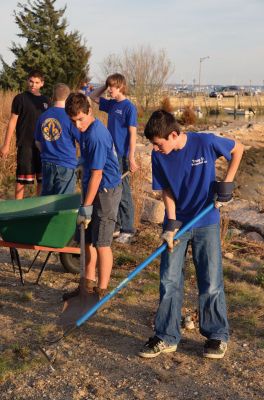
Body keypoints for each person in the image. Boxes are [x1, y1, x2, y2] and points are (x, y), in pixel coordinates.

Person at [138, 110, 244, 360]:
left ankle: (217, 335)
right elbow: (166, 190)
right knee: (169, 280)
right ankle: (166, 336)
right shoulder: (158, 155)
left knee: (210, 279)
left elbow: (238, 149)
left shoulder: (205, 142)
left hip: (206, 219)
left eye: (158, 143)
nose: (155, 148)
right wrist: (171, 224)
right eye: (153, 144)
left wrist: (226, 185)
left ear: (173, 135)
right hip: (177, 222)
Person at [63, 92, 122, 300]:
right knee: (87, 241)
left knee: (102, 243)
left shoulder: (96, 135)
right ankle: (86, 287)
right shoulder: (85, 129)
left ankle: (101, 292)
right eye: (73, 121)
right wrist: (80, 162)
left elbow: (98, 175)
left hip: (105, 190)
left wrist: (86, 206)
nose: (78, 125)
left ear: (89, 111)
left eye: (80, 119)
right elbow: (90, 164)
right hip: (92, 186)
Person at [89, 73, 138, 244]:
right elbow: (92, 96)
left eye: (112, 86)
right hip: (111, 155)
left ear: (121, 87)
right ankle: (116, 226)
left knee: (123, 191)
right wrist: (104, 84)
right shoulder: (111, 105)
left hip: (123, 156)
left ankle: (128, 229)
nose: (109, 90)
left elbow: (133, 134)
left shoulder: (129, 108)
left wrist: (131, 157)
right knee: (111, 190)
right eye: (108, 86)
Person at [0, 70, 50, 199]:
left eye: (37, 82)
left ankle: (40, 208)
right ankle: (18, 207)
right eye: (31, 81)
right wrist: (5, 145)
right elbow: (12, 122)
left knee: (42, 179)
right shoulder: (20, 98)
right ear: (27, 81)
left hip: (42, 147)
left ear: (42, 84)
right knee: (21, 179)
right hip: (25, 144)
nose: (33, 85)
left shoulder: (47, 101)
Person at [34, 83, 80, 195]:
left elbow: (37, 142)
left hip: (47, 163)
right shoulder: (70, 117)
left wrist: (47, 152)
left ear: (53, 97)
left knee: (47, 202)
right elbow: (81, 141)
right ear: (69, 98)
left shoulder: (43, 116)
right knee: (63, 204)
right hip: (66, 164)